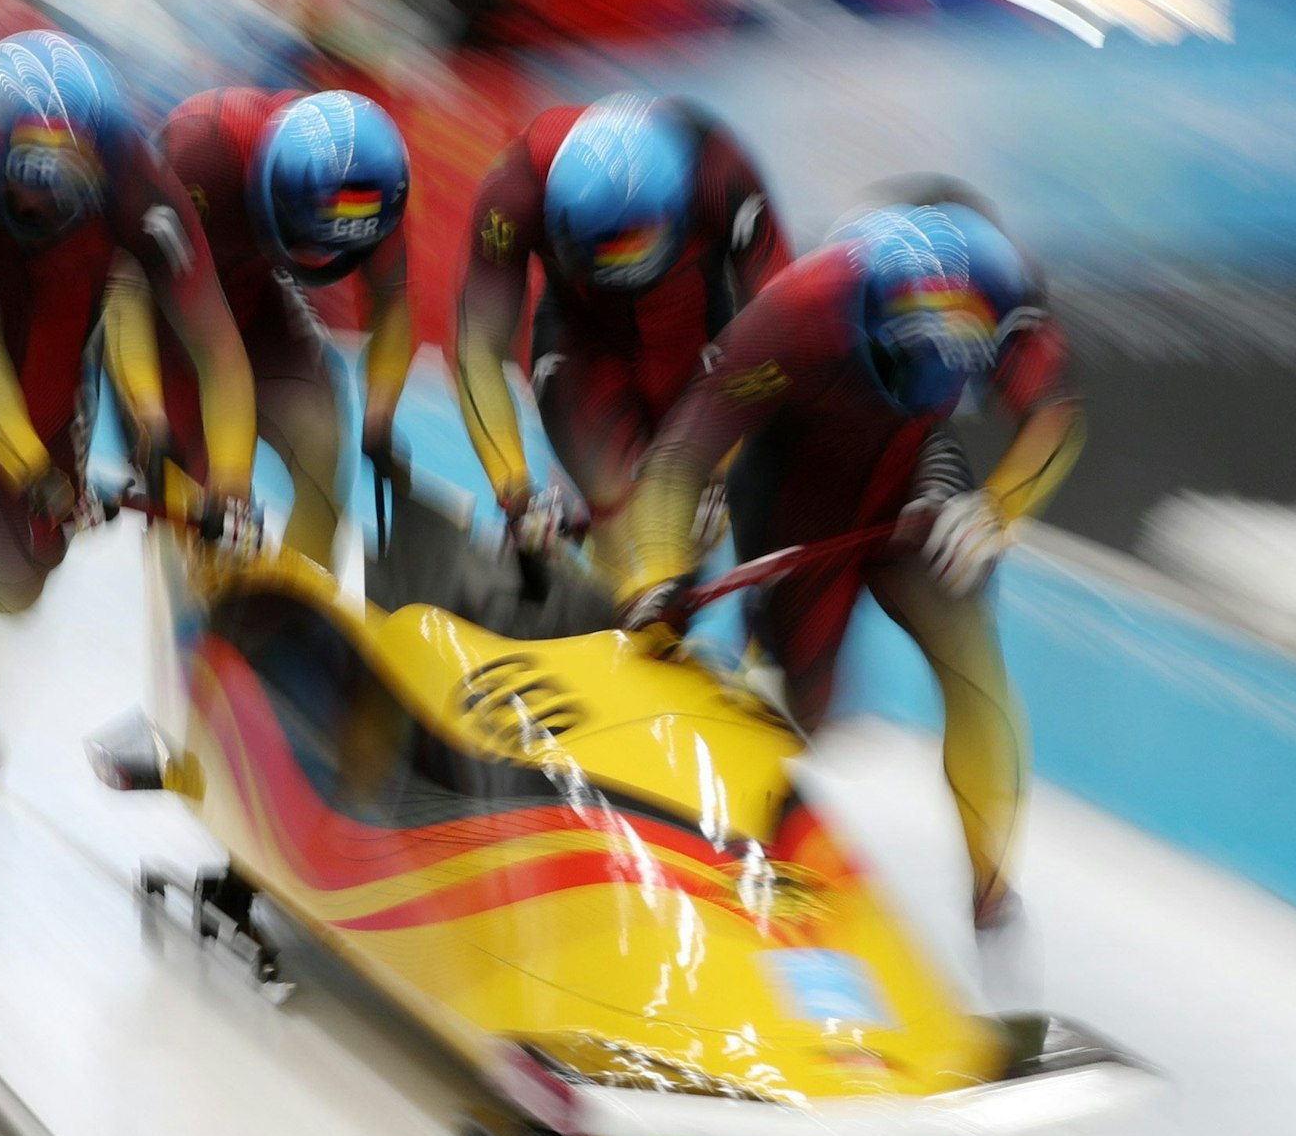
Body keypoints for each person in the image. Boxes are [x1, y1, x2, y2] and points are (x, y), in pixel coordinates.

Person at [614, 184, 1081, 988]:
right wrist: (657, 574)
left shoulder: (1008, 295)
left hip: (917, 482)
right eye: (909, 358)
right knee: (804, 709)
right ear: (872, 317)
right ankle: (734, 870)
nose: (931, 376)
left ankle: (992, 904)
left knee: (978, 670)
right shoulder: (800, 311)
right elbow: (683, 455)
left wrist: (999, 509)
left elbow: (1054, 416)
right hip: (796, 494)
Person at [0, 29, 255, 774]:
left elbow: (211, 343)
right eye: (28, 175)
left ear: (105, 164)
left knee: (20, 586)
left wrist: (228, 485)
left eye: (70, 178)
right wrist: (27, 465)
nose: (46, 199)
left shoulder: (140, 184)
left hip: (48, 379)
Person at [453, 92, 788, 573]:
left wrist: (723, 467)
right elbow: (477, 350)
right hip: (584, 346)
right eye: (613, 250)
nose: (628, 265)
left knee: (683, 541)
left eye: (640, 243)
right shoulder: (516, 190)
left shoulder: (715, 168)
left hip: (698, 346)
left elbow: (783, 327)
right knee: (624, 540)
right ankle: (604, 548)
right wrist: (516, 491)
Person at [108, 86, 411, 566]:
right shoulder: (201, 154)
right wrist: (148, 412)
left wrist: (380, 414)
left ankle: (300, 609)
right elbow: (126, 290)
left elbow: (391, 302)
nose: (319, 256)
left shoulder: (370, 184)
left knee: (321, 443)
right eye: (306, 240)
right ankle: (204, 598)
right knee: (206, 517)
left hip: (254, 295)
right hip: (164, 311)